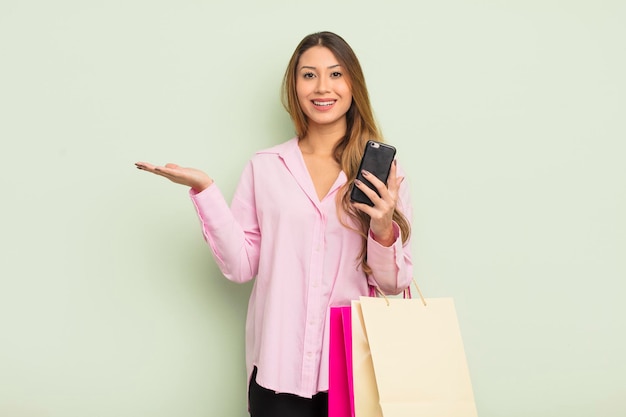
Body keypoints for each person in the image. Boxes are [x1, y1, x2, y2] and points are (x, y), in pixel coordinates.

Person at [135, 31, 413, 417]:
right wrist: (205, 189)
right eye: (308, 75)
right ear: (294, 86)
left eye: (335, 74)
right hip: (278, 370)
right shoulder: (265, 167)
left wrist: (383, 228)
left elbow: (393, 284)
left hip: (352, 370)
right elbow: (240, 266)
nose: (322, 87)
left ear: (353, 85)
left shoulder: (380, 173)